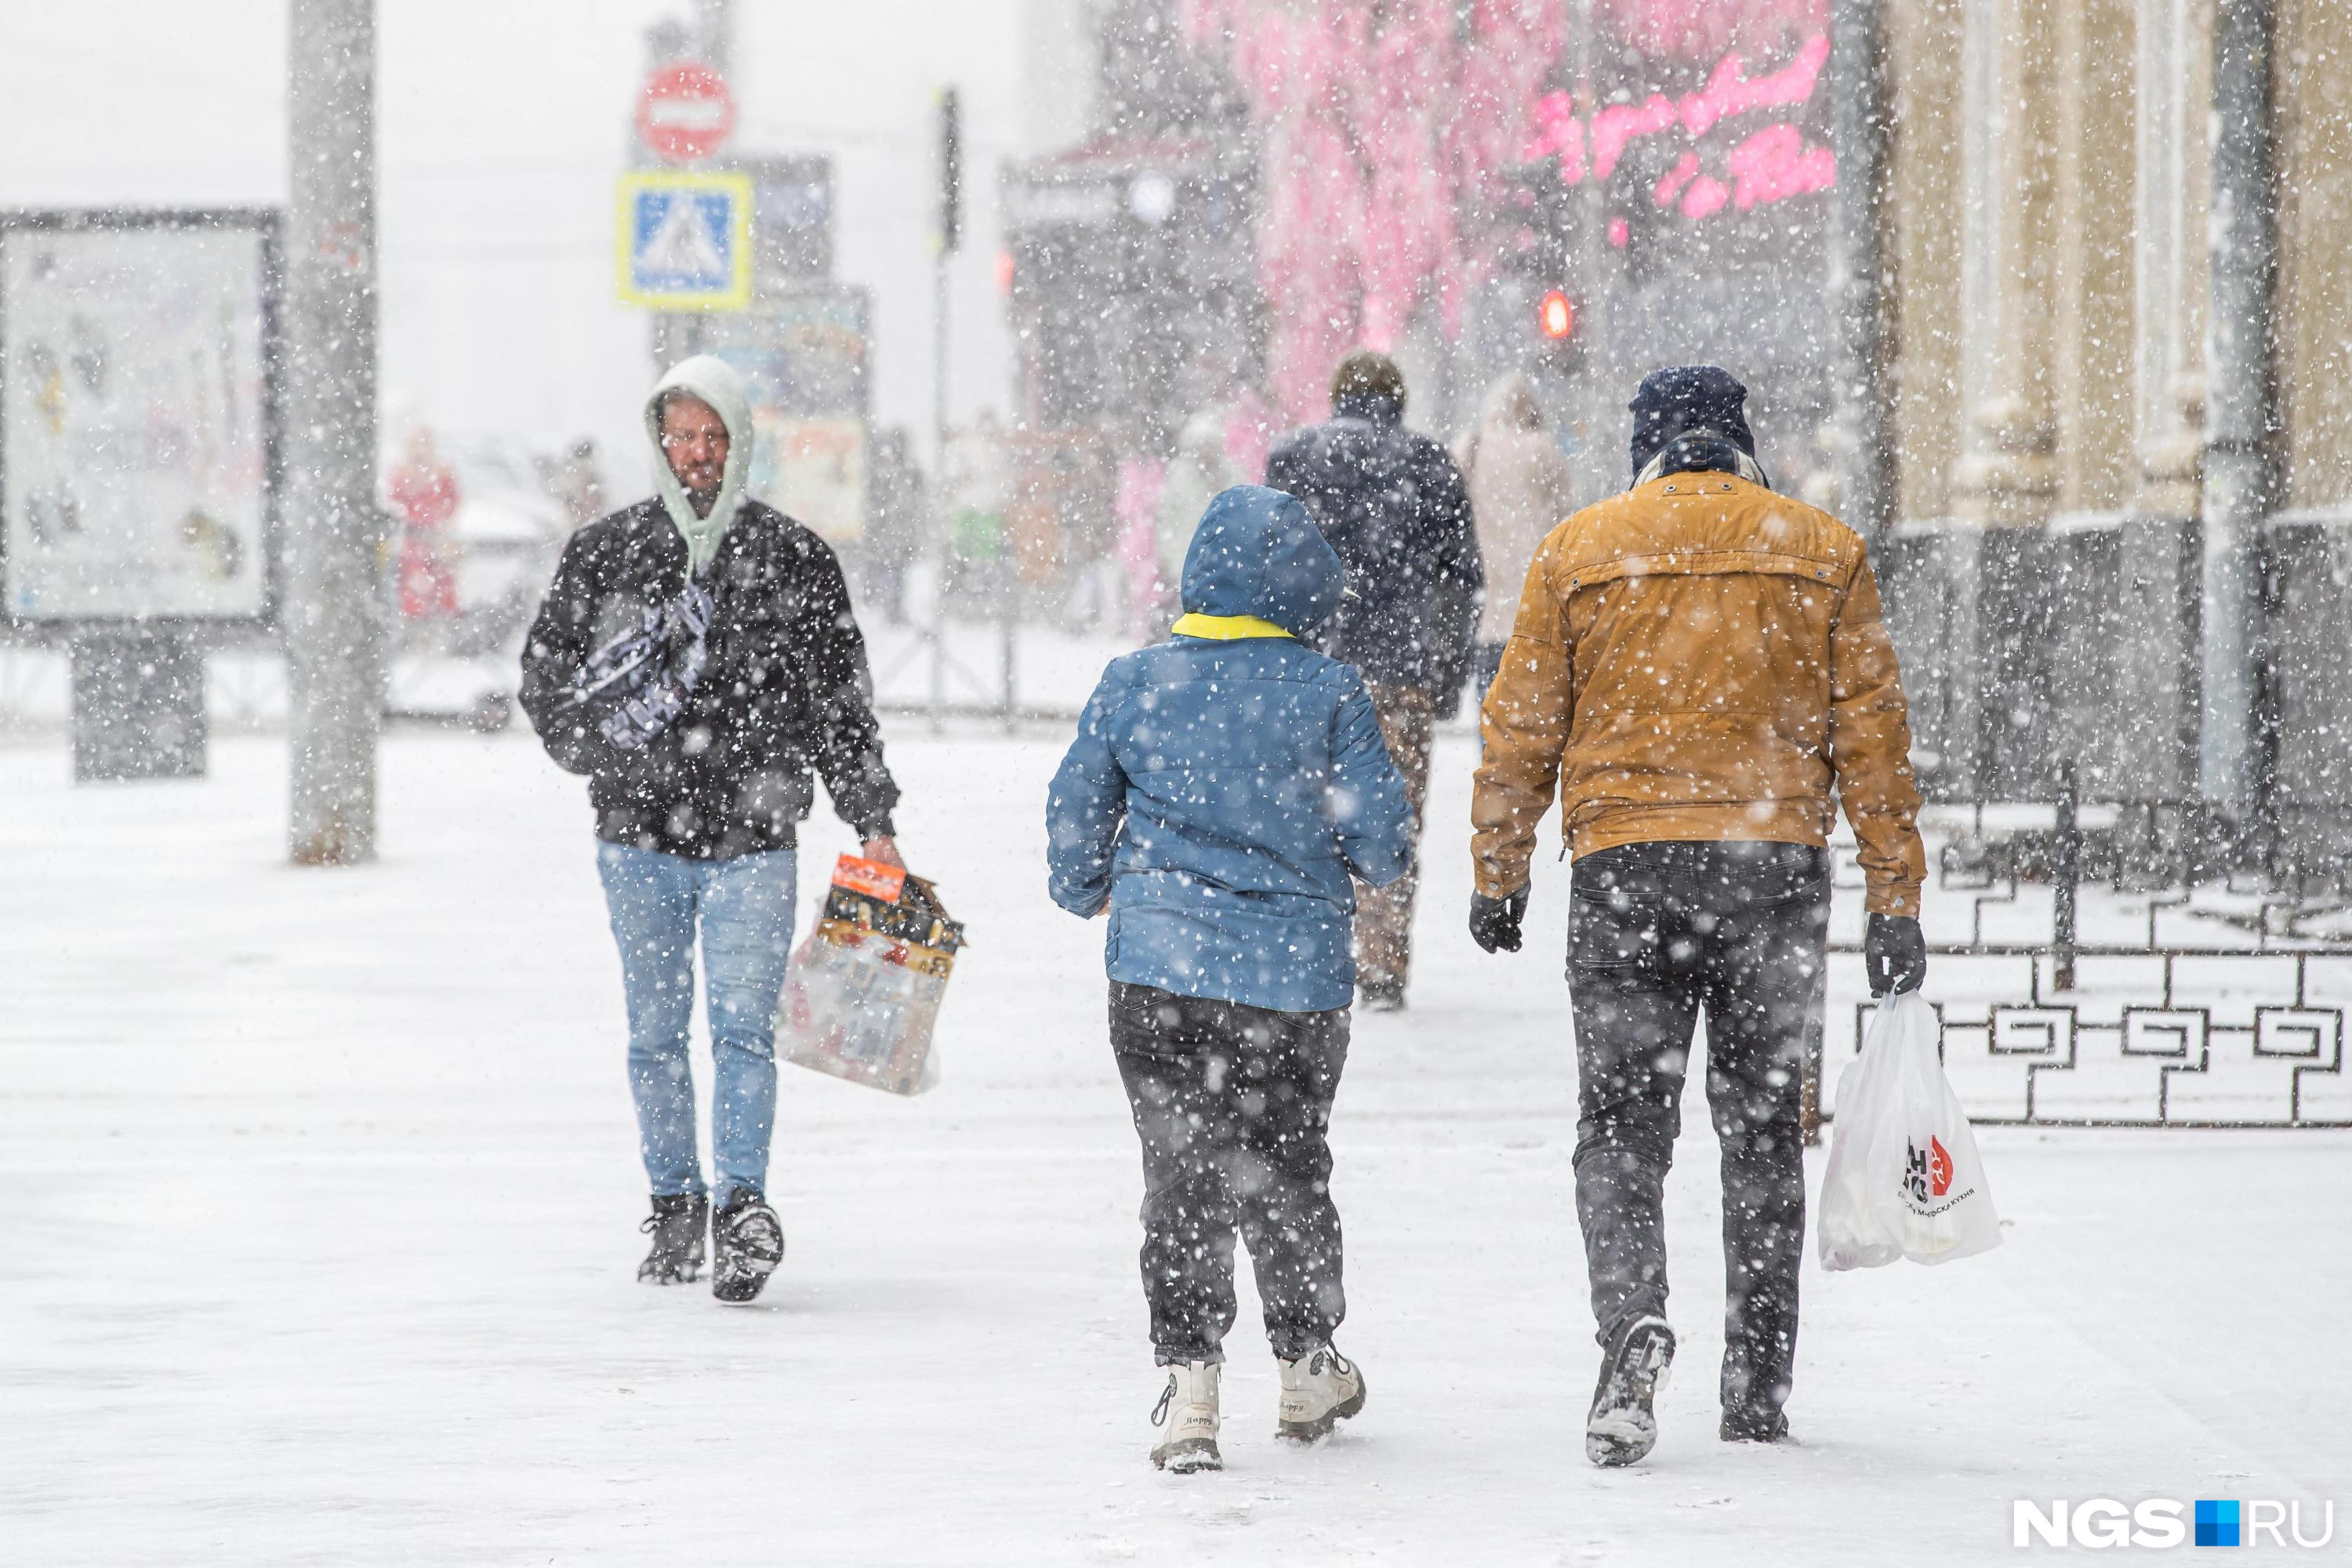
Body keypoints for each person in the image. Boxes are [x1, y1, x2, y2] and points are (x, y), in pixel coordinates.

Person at [1467, 365, 1929, 1466]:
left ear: (1649, 445)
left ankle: (1630, 1321)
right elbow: (1874, 739)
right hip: (1772, 872)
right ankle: (1758, 1384)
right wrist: (1895, 897)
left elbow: (1521, 725)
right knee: (1762, 1131)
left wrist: (1499, 870)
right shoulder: (1821, 550)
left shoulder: (1580, 550)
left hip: (1628, 871)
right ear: (1739, 440)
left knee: (1623, 1130)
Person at [519, 355, 903, 1305]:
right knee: (655, 1033)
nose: (694, 455)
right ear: (658, 442)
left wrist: (873, 814)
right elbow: (547, 670)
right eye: (679, 436)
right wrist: (595, 752)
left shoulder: (794, 556)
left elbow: (839, 699)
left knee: (741, 1030)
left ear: (739, 443)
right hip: (636, 836)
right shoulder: (607, 550)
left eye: (712, 436)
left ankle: (742, 1208)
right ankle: (674, 1201)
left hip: (754, 834)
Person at [1047, 485, 1415, 1475]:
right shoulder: (1330, 689)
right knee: (1290, 1169)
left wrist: (1084, 885)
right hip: (1292, 983)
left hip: (1159, 976)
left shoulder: (1135, 680)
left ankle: (1190, 1383)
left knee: (1181, 1173)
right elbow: (1381, 844)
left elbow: (1078, 804)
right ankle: (1306, 1359)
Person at [1265, 350, 1481, 1011]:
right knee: (1391, 822)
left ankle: (1312, 959)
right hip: (1400, 673)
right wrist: (1442, 677)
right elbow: (1460, 579)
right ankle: (1382, 967)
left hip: (1309, 672)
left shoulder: (1293, 459)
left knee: (1305, 821)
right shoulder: (1431, 462)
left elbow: (1267, 565)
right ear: (1398, 398)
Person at [1454, 373, 1575, 706]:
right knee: (1530, 709)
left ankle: (1489, 754)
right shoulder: (1545, 449)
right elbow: (1563, 517)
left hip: (1488, 598)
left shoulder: (1473, 445)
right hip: (1534, 602)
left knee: (1489, 701)